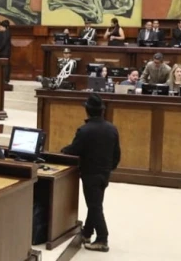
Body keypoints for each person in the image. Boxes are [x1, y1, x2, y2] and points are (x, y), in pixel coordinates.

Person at [61, 94, 120, 252]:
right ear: (102, 111)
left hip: (90, 173)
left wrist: (63, 151)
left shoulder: (85, 130)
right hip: (104, 174)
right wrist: (108, 169)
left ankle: (102, 238)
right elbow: (117, 155)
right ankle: (87, 232)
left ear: (87, 111)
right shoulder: (112, 129)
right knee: (95, 204)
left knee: (94, 206)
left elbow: (74, 150)